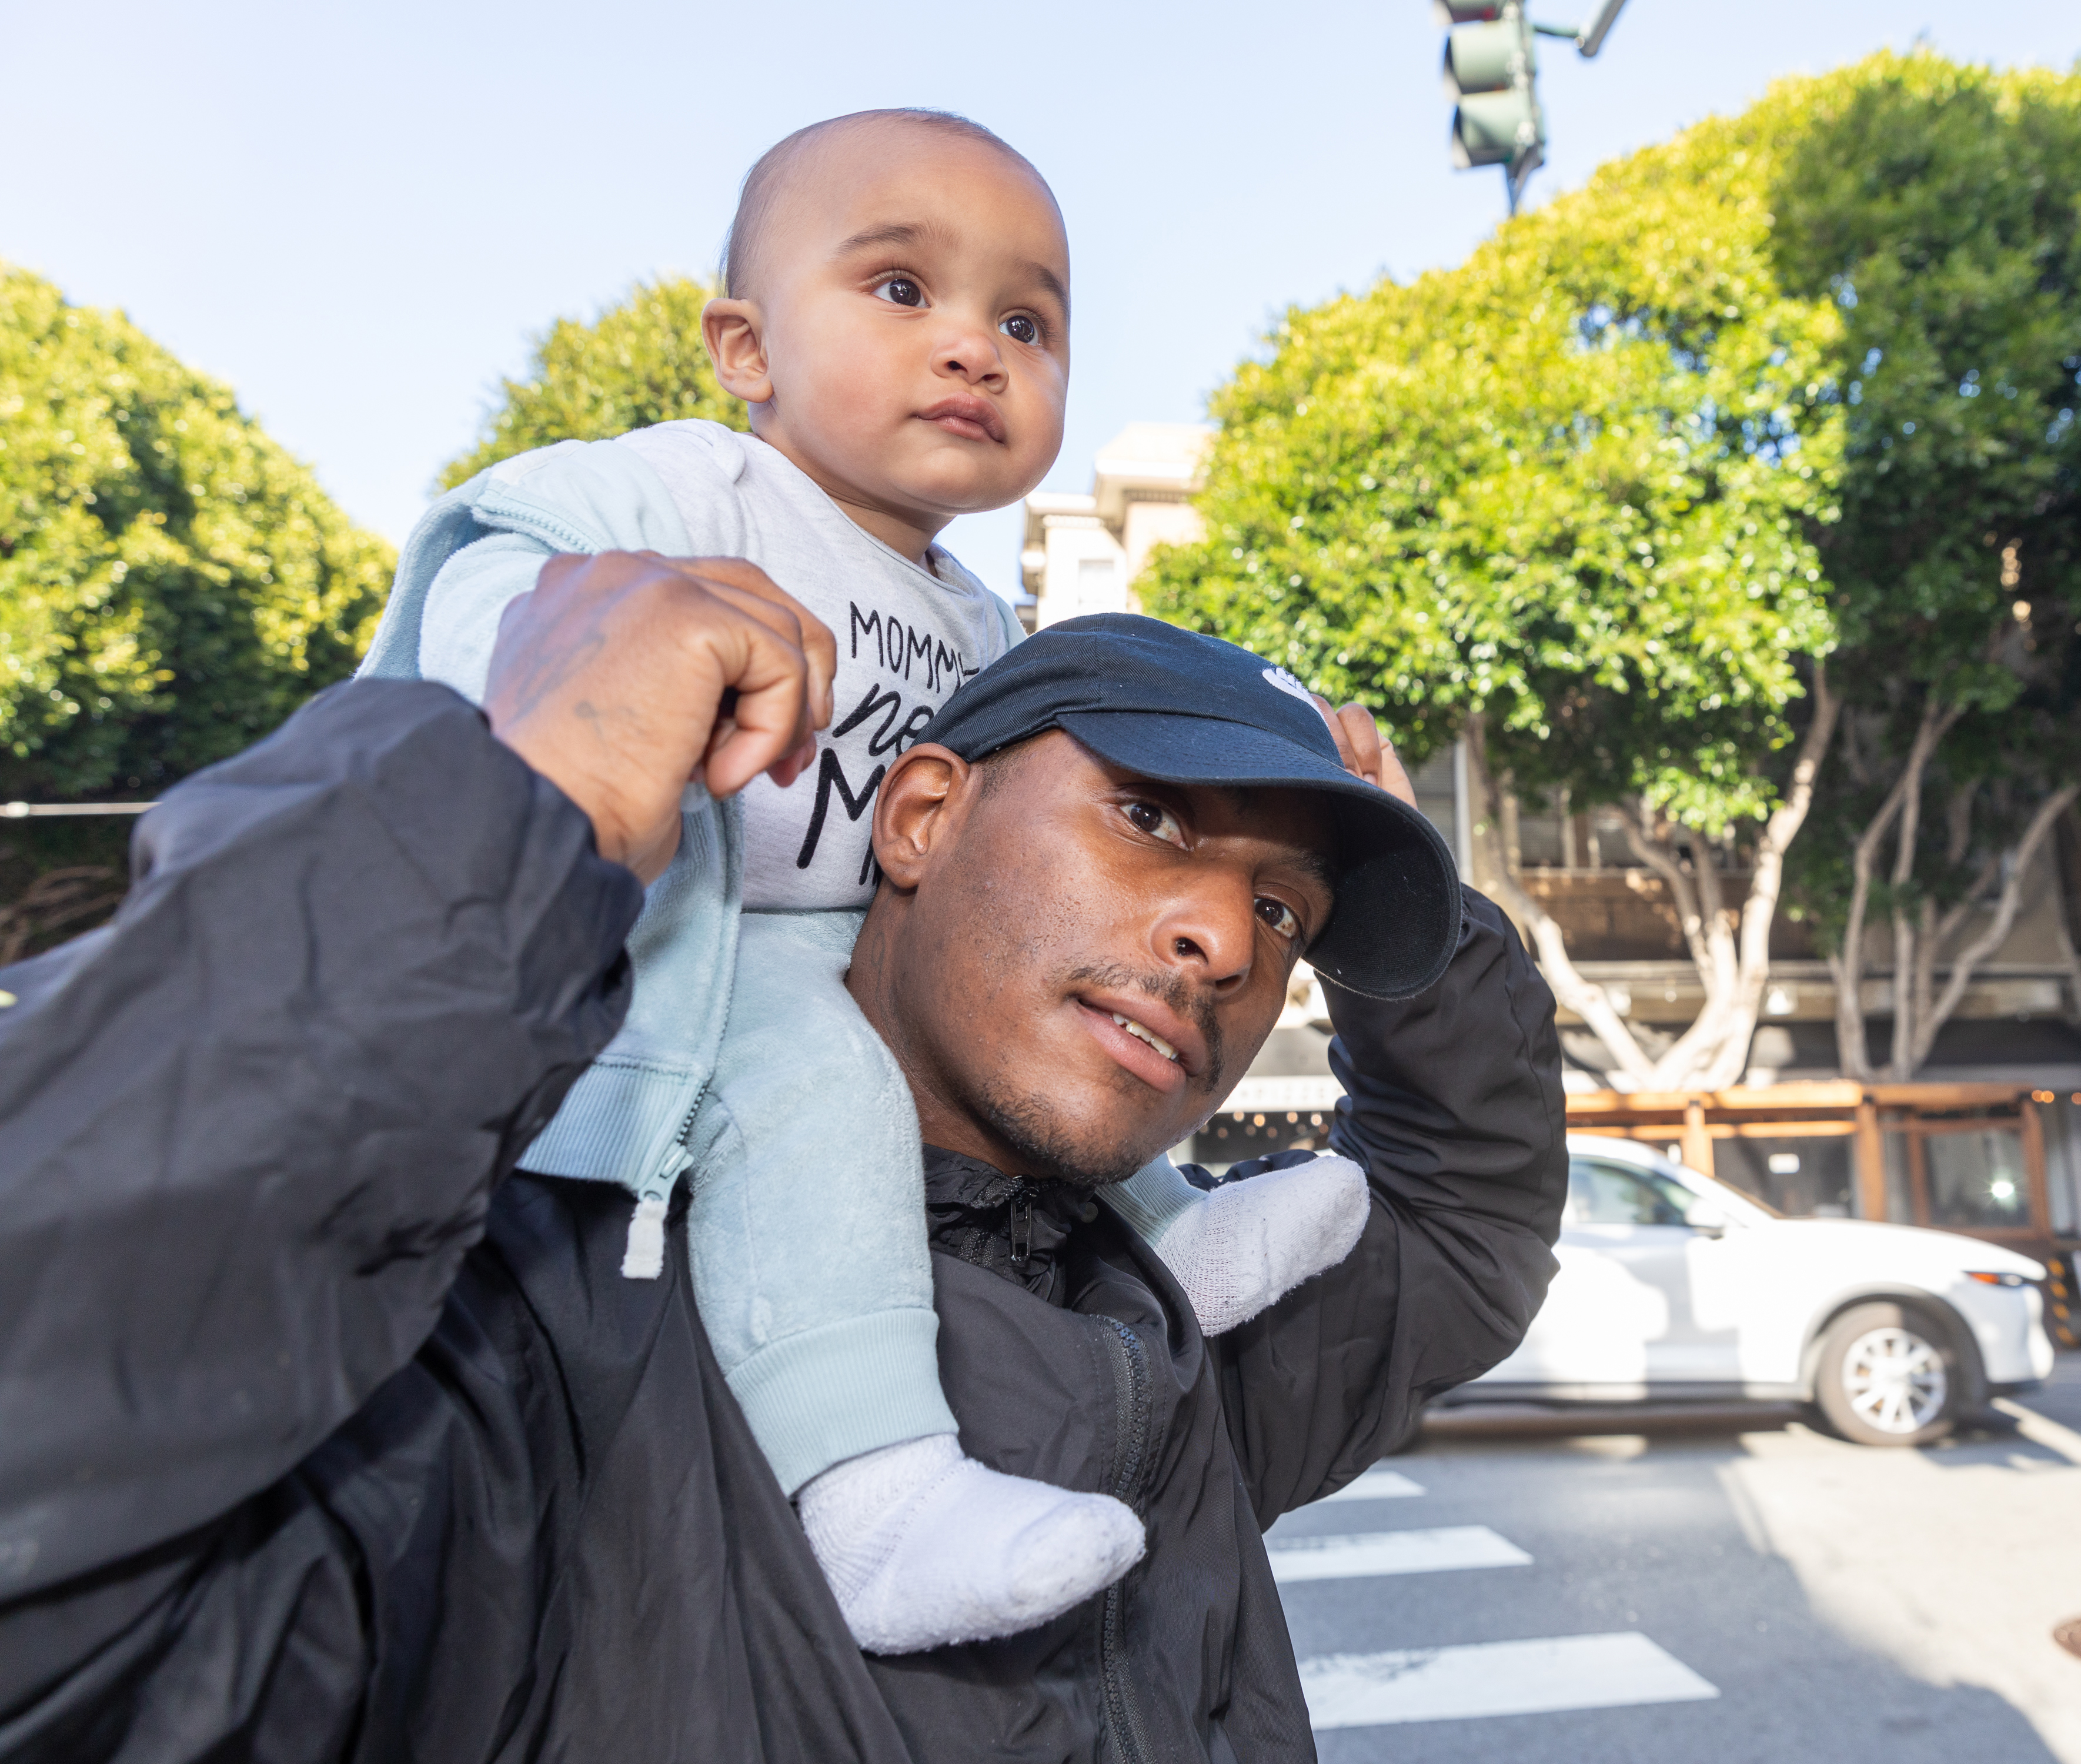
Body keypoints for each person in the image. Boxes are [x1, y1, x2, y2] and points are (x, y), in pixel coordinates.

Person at [0, 559, 1565, 1762]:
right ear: (922, 819)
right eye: (1147, 816)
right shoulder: (535, 1341)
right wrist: (523, 807)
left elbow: (1459, 1221)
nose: (1221, 936)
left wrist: (1413, 936)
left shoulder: (1181, 1335)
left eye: (1283, 909)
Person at [360, 106, 1370, 1651]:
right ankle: (877, 1497)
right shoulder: (694, 493)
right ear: (745, 349)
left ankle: (1172, 1224)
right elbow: (491, 568)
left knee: (1036, 1001)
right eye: (901, 290)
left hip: (835, 948)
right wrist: (593, 666)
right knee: (823, 1077)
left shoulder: (975, 622)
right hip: (677, 950)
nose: (972, 349)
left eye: (1023, 322)